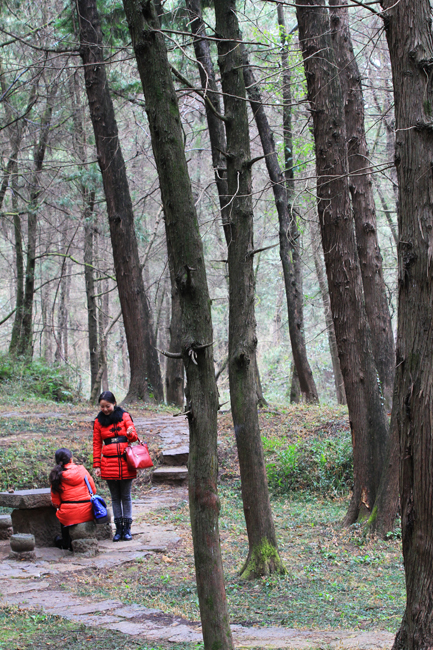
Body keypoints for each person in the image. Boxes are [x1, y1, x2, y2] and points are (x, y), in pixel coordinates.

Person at [93, 390, 138, 542]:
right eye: (102, 406)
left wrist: (130, 433)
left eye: (108, 406)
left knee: (126, 496)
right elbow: (96, 444)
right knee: (115, 497)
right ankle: (118, 529)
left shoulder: (124, 416)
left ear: (114, 403)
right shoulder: (98, 421)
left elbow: (134, 438)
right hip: (108, 463)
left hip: (126, 462)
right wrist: (97, 465)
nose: (105, 409)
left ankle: (127, 528)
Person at [50, 448, 96, 551]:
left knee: (63, 513)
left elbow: (56, 503)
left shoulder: (56, 475)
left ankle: (66, 542)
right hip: (88, 511)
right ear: (71, 459)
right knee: (67, 512)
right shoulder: (82, 470)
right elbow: (93, 490)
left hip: (69, 515)